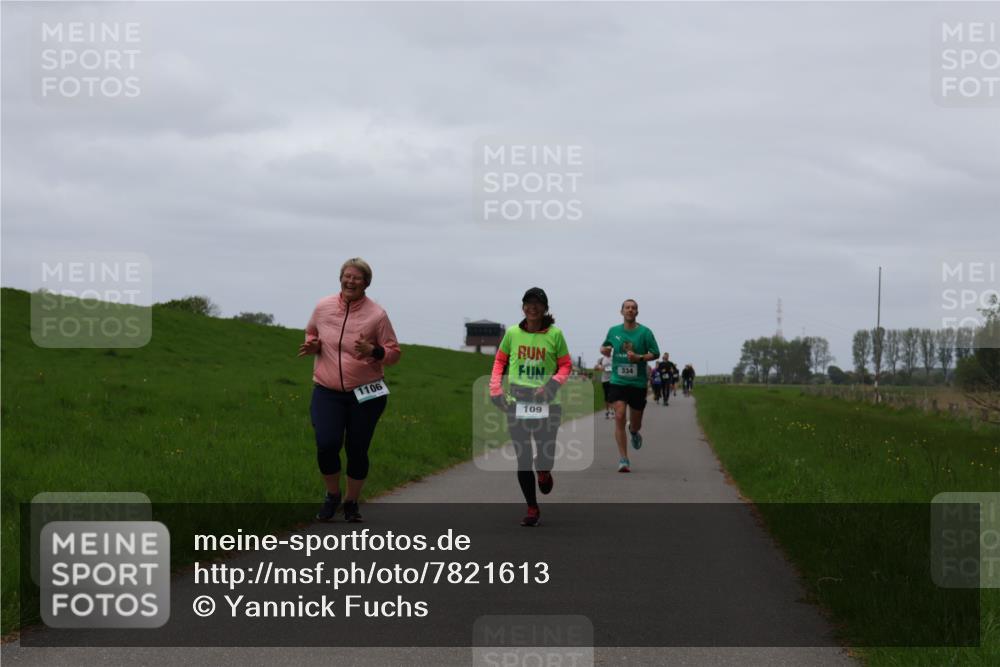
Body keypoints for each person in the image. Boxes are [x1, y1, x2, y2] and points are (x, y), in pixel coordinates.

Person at [299, 258, 401, 523]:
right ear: (340, 278)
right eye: (347, 276)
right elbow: (311, 332)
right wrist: (313, 345)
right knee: (327, 444)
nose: (350, 281)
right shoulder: (323, 307)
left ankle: (352, 502)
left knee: (357, 448)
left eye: (357, 278)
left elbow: (393, 353)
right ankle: (332, 495)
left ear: (366, 283)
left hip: (366, 393)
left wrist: (374, 351)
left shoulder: (377, 315)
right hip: (327, 389)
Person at [490, 288, 572, 527]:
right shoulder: (513, 333)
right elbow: (500, 361)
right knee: (523, 458)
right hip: (518, 402)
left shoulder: (555, 335)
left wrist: (552, 385)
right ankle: (532, 507)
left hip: (548, 402)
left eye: (537, 303)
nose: (532, 307)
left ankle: (544, 471)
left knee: (545, 454)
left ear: (545, 308)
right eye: (528, 303)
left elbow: (565, 366)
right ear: (523, 306)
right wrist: (495, 389)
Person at [600, 299, 660, 473]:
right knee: (619, 415)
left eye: (633, 308)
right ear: (622, 311)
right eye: (627, 307)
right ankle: (623, 459)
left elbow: (655, 353)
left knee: (635, 423)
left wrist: (639, 358)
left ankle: (634, 432)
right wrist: (604, 349)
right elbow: (605, 347)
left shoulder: (645, 332)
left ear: (637, 312)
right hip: (618, 381)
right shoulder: (613, 331)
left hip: (638, 383)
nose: (630, 310)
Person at [595, 350, 613, 418]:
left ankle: (612, 411)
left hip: (612, 380)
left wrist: (605, 368)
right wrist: (598, 367)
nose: (607, 351)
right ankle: (607, 411)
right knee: (606, 396)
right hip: (604, 380)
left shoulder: (613, 358)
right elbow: (596, 367)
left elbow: (615, 367)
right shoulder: (601, 359)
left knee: (612, 396)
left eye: (608, 350)